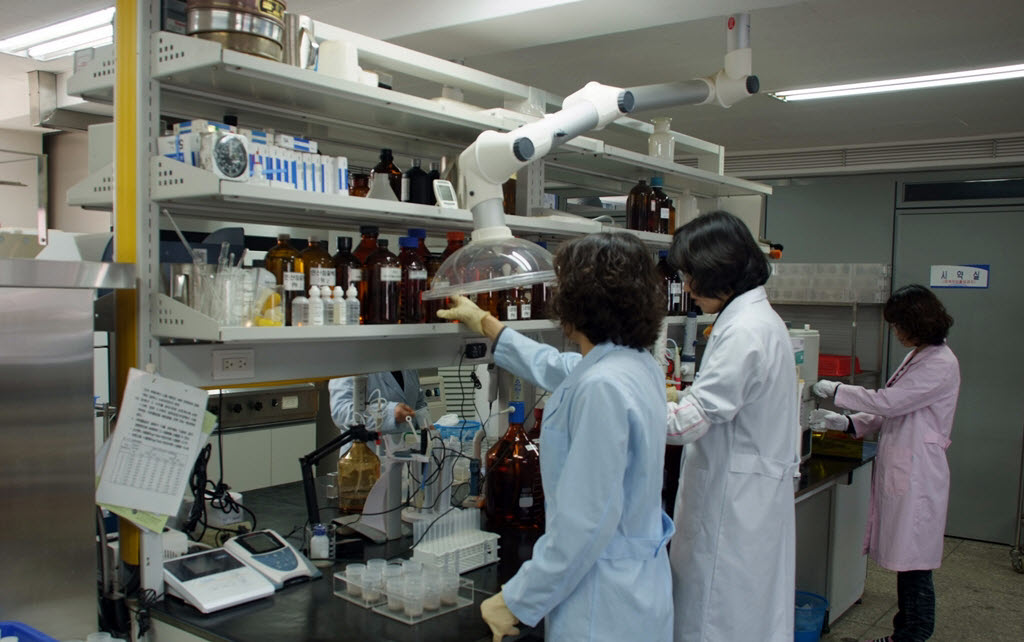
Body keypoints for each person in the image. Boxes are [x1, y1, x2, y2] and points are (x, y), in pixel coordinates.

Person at [438, 232, 675, 642]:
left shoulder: (602, 385)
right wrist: (486, 323)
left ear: (578, 300)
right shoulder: (635, 365)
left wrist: (515, 600)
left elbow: (585, 524)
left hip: (602, 603)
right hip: (637, 588)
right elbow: (555, 365)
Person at [662, 211, 799, 642]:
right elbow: (720, 402)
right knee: (747, 615)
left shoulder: (744, 330)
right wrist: (676, 398)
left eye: (692, 276)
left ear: (718, 271)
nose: (687, 288)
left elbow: (683, 427)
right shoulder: (756, 319)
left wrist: (626, 400)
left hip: (733, 507)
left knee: (716, 618)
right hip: (749, 496)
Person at [812, 284, 959, 642]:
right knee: (910, 564)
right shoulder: (919, 355)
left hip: (919, 472)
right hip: (907, 465)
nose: (895, 332)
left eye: (898, 325)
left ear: (918, 323)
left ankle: (913, 634)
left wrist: (837, 391)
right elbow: (894, 410)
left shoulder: (940, 362)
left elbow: (891, 402)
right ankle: (903, 634)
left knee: (916, 566)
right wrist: (848, 423)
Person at [328, 370, 428, 450]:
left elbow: (418, 401)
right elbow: (341, 411)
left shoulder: (405, 360)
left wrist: (426, 423)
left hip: (407, 457)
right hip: (366, 458)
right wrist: (388, 413)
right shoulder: (350, 360)